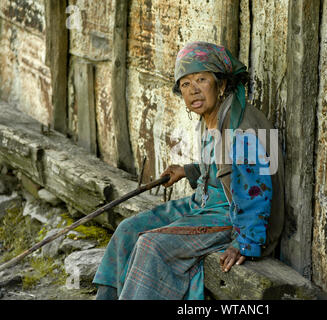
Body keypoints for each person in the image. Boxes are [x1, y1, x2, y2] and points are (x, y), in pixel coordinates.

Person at [93, 41, 284, 300]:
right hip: (204, 205)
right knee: (129, 229)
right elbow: (225, 168)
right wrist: (189, 171)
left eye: (201, 80)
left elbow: (257, 190)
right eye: (185, 84)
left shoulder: (243, 128)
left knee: (152, 245)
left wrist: (244, 243)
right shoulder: (212, 117)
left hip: (232, 217)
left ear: (222, 84)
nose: (193, 90)